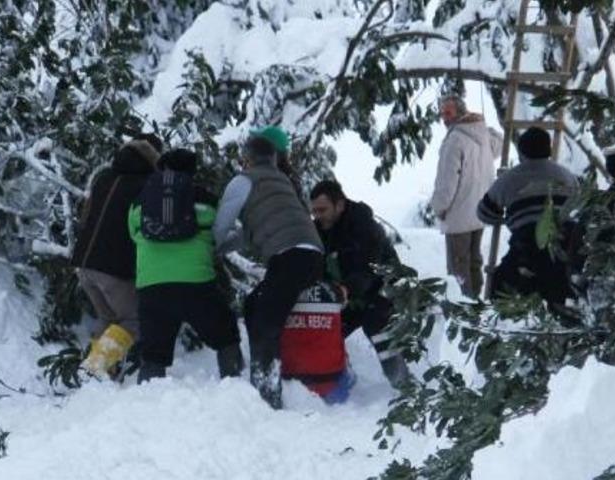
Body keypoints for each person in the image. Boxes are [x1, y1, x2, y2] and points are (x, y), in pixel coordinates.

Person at [214, 126, 324, 409]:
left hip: (289, 256)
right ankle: (264, 377)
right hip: (312, 255)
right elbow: (252, 235)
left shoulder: (243, 181)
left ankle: (267, 394)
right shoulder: (282, 182)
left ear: (247, 159)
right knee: (254, 304)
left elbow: (221, 227)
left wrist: (209, 247)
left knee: (265, 321)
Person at [128, 148, 243, 383]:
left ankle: (145, 405)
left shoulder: (139, 201)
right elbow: (219, 229)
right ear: (192, 171)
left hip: (152, 285)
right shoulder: (205, 198)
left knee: (154, 353)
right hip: (196, 284)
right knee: (226, 334)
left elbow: (132, 233)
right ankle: (235, 385)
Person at [72, 138, 160, 376]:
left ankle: (99, 377)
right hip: (113, 267)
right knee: (133, 320)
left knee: (108, 318)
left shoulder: (102, 179)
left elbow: (85, 216)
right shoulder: (146, 186)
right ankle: (94, 369)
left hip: (83, 262)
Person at [309, 180, 410, 386]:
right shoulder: (318, 229)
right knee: (323, 330)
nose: (318, 216)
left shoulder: (364, 226)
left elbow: (368, 269)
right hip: (346, 295)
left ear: (340, 205)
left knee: (378, 327)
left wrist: (346, 288)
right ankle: (332, 381)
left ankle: (403, 385)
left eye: (322, 210)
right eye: (314, 211)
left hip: (381, 290)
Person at [477, 127, 579, 305]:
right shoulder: (568, 177)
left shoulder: (509, 179)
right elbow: (579, 209)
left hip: (526, 251)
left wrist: (505, 217)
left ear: (521, 151)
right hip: (566, 251)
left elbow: (484, 214)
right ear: (549, 149)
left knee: (500, 288)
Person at [430, 94, 499, 298]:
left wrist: (439, 208)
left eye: (448, 112)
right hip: (479, 212)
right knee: (474, 261)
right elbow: (498, 144)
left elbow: (447, 182)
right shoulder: (482, 134)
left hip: (458, 215)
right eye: (442, 113)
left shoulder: (455, 140)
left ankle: (462, 308)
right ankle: (476, 303)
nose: (444, 118)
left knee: (458, 267)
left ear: (460, 112)